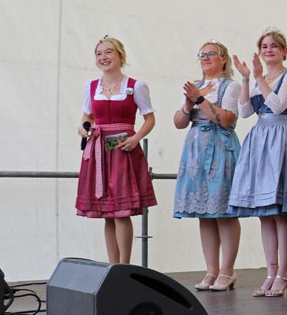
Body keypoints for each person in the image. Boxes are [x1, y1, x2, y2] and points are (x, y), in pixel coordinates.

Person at [228, 28, 287, 297]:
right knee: (265, 213)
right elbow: (244, 111)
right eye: (264, 46)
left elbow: (278, 105)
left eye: (273, 46)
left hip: (281, 135)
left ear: (284, 51)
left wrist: (259, 77)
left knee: (280, 211)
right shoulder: (260, 78)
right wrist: (246, 78)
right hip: (260, 137)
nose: (268, 50)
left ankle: (283, 273)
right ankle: (271, 272)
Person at [76, 36, 157, 264]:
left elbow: (150, 118)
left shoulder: (135, 86)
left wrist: (136, 138)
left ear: (120, 55)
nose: (103, 57)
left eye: (108, 52)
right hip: (99, 151)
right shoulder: (91, 86)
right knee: (108, 215)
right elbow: (88, 116)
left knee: (121, 212)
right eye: (99, 53)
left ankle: (124, 266)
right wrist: (83, 127)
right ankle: (113, 265)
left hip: (123, 150)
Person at [172, 41, 242, 292]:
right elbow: (178, 122)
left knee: (223, 211)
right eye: (202, 54)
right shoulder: (195, 85)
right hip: (196, 150)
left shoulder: (231, 86)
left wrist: (200, 100)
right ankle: (211, 270)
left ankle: (227, 270)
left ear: (223, 58)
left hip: (220, 147)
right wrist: (187, 104)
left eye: (211, 54)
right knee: (204, 211)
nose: (205, 58)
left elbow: (226, 119)